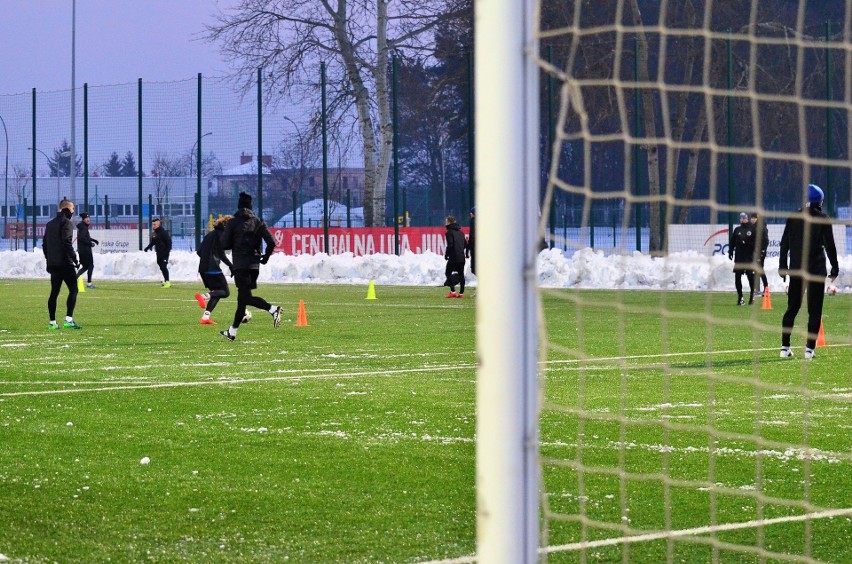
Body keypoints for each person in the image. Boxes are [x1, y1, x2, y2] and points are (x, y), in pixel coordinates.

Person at [778, 184, 839, 360]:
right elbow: (830, 246)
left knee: (792, 308)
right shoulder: (822, 218)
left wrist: (783, 266)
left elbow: (784, 244)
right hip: (816, 270)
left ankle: (785, 348)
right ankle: (809, 351)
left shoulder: (793, 216)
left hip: (797, 270)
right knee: (815, 311)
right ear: (820, 200)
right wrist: (835, 267)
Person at [219, 192, 282, 341]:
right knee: (243, 299)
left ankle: (273, 309)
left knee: (245, 297)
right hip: (254, 266)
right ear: (251, 206)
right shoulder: (258, 221)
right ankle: (232, 332)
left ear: (239, 206)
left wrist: (232, 240)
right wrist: (265, 256)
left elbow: (224, 244)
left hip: (241, 265)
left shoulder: (233, 222)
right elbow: (272, 242)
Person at [43, 199, 82, 330]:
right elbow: (67, 243)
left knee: (54, 292)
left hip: (53, 264)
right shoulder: (67, 223)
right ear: (67, 209)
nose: (73, 212)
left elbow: (44, 245)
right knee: (74, 290)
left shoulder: (50, 224)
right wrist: (75, 259)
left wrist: (49, 259)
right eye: (72, 209)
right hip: (65, 263)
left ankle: (52, 323)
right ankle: (68, 320)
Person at [194, 215, 234, 325]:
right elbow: (221, 253)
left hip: (203, 268)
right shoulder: (222, 235)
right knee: (225, 292)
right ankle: (203, 296)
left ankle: (205, 318)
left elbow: (199, 252)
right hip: (212, 268)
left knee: (216, 293)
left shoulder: (210, 234)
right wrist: (231, 265)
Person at [728, 212, 756, 305]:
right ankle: (740, 297)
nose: (742, 219)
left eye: (743, 218)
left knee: (750, 277)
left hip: (749, 258)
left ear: (747, 218)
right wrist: (730, 251)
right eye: (740, 218)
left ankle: (752, 296)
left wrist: (746, 243)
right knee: (737, 277)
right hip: (739, 258)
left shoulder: (753, 229)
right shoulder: (737, 230)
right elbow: (732, 242)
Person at [144, 217, 172, 287]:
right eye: (153, 224)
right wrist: (147, 248)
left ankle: (168, 282)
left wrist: (167, 252)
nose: (153, 226)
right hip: (158, 253)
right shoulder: (154, 233)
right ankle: (165, 280)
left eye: (155, 224)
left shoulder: (163, 233)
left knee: (163, 266)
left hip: (164, 253)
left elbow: (169, 242)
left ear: (158, 224)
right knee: (161, 266)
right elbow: (153, 242)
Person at [443, 215, 466, 298]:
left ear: (449, 222)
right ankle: (461, 293)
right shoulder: (461, 233)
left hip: (454, 257)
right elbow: (464, 245)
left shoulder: (449, 232)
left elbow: (450, 245)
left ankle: (452, 291)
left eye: (446, 221)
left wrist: (446, 254)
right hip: (461, 257)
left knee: (448, 272)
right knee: (461, 274)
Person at [75, 212, 99, 289]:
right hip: (85, 250)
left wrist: (93, 240)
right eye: (86, 218)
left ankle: (73, 279)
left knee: (85, 267)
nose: (88, 219)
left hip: (82, 250)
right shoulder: (83, 227)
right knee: (90, 266)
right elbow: (82, 238)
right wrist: (90, 243)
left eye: (89, 218)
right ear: (83, 219)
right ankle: (89, 283)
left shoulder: (83, 226)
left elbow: (85, 237)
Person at [750, 212, 769, 295]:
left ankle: (766, 288)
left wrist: (763, 250)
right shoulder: (752, 227)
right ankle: (757, 289)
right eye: (752, 218)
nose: (752, 219)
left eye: (754, 218)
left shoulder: (761, 227)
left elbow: (765, 240)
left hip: (760, 252)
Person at [465, 207, 476, 276]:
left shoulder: (473, 221)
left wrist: (468, 248)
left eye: (471, 213)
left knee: (474, 267)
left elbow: (472, 236)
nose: (470, 214)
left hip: (474, 246)